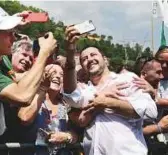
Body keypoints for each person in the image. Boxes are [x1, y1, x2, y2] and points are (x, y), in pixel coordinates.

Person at [0, 4, 57, 149]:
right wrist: (44, 53)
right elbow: (23, 96)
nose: (13, 39)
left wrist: (15, 20)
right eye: (9, 34)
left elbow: (17, 78)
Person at [63, 25, 157, 155]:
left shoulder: (127, 79)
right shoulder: (87, 89)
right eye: (84, 59)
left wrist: (108, 103)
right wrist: (70, 51)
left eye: (93, 55)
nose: (89, 59)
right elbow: (70, 96)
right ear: (83, 67)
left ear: (105, 60)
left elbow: (151, 112)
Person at [17, 64, 78, 155]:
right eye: (52, 72)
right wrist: (42, 88)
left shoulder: (66, 104)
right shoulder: (32, 99)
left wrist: (67, 137)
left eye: (61, 75)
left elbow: (75, 134)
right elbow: (24, 118)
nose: (57, 76)